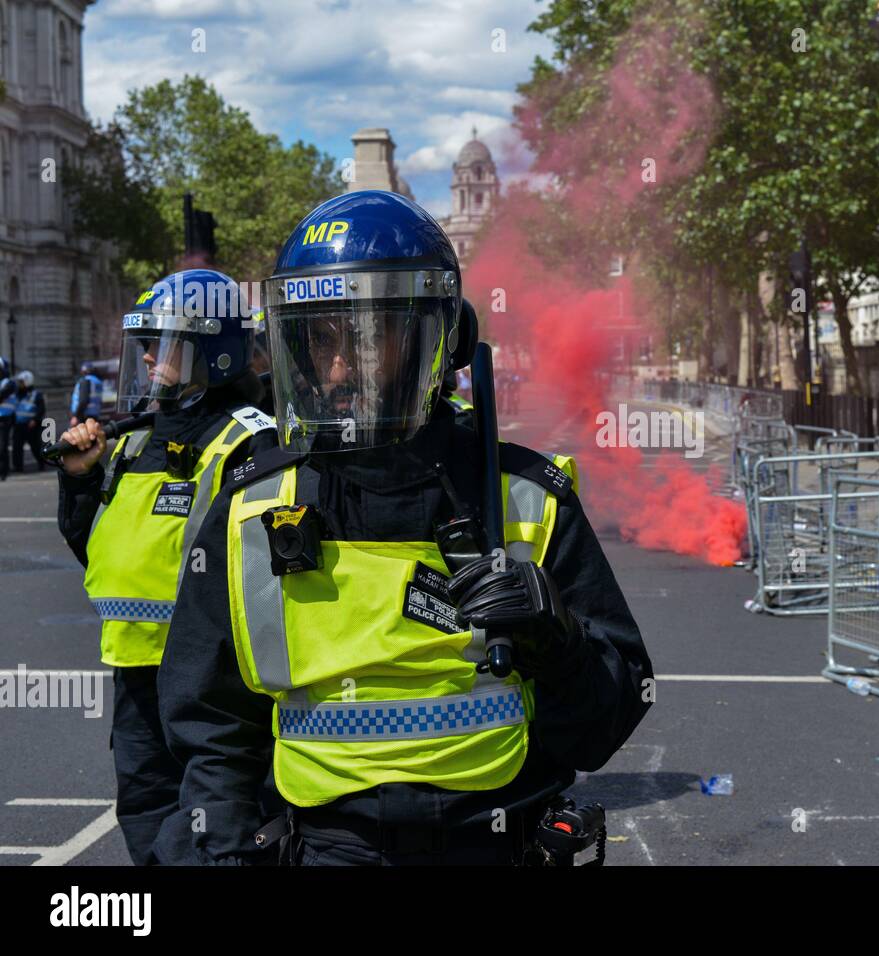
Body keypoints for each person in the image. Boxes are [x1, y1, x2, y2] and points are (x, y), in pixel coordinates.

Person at [157, 190, 653, 866]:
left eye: (367, 337)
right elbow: (212, 731)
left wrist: (556, 641)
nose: (337, 368)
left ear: (441, 336)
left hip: (498, 845)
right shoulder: (250, 509)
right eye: (321, 337)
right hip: (328, 850)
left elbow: (607, 724)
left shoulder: (527, 499)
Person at [55, 269, 278, 865]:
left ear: (214, 351)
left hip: (215, 677)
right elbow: (100, 552)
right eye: (145, 342)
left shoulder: (251, 440)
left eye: (165, 341)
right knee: (147, 811)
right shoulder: (131, 443)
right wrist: (78, 483)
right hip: (135, 669)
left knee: (213, 827)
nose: (149, 355)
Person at [10, 371, 45, 473]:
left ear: (28, 381)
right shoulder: (16, 394)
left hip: (31, 425)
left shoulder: (36, 394)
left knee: (35, 447)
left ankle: (41, 463)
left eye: (21, 382)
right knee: (16, 447)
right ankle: (18, 467)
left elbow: (41, 409)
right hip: (18, 425)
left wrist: (35, 419)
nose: (19, 384)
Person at [70, 361, 105, 428]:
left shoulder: (85, 381)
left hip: (84, 416)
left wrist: (76, 416)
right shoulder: (97, 382)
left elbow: (83, 400)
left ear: (83, 371)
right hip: (95, 415)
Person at [0, 356, 14, 481]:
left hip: (4, 418)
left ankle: (3, 471)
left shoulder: (9, 382)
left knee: (3, 445)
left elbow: (2, 394)